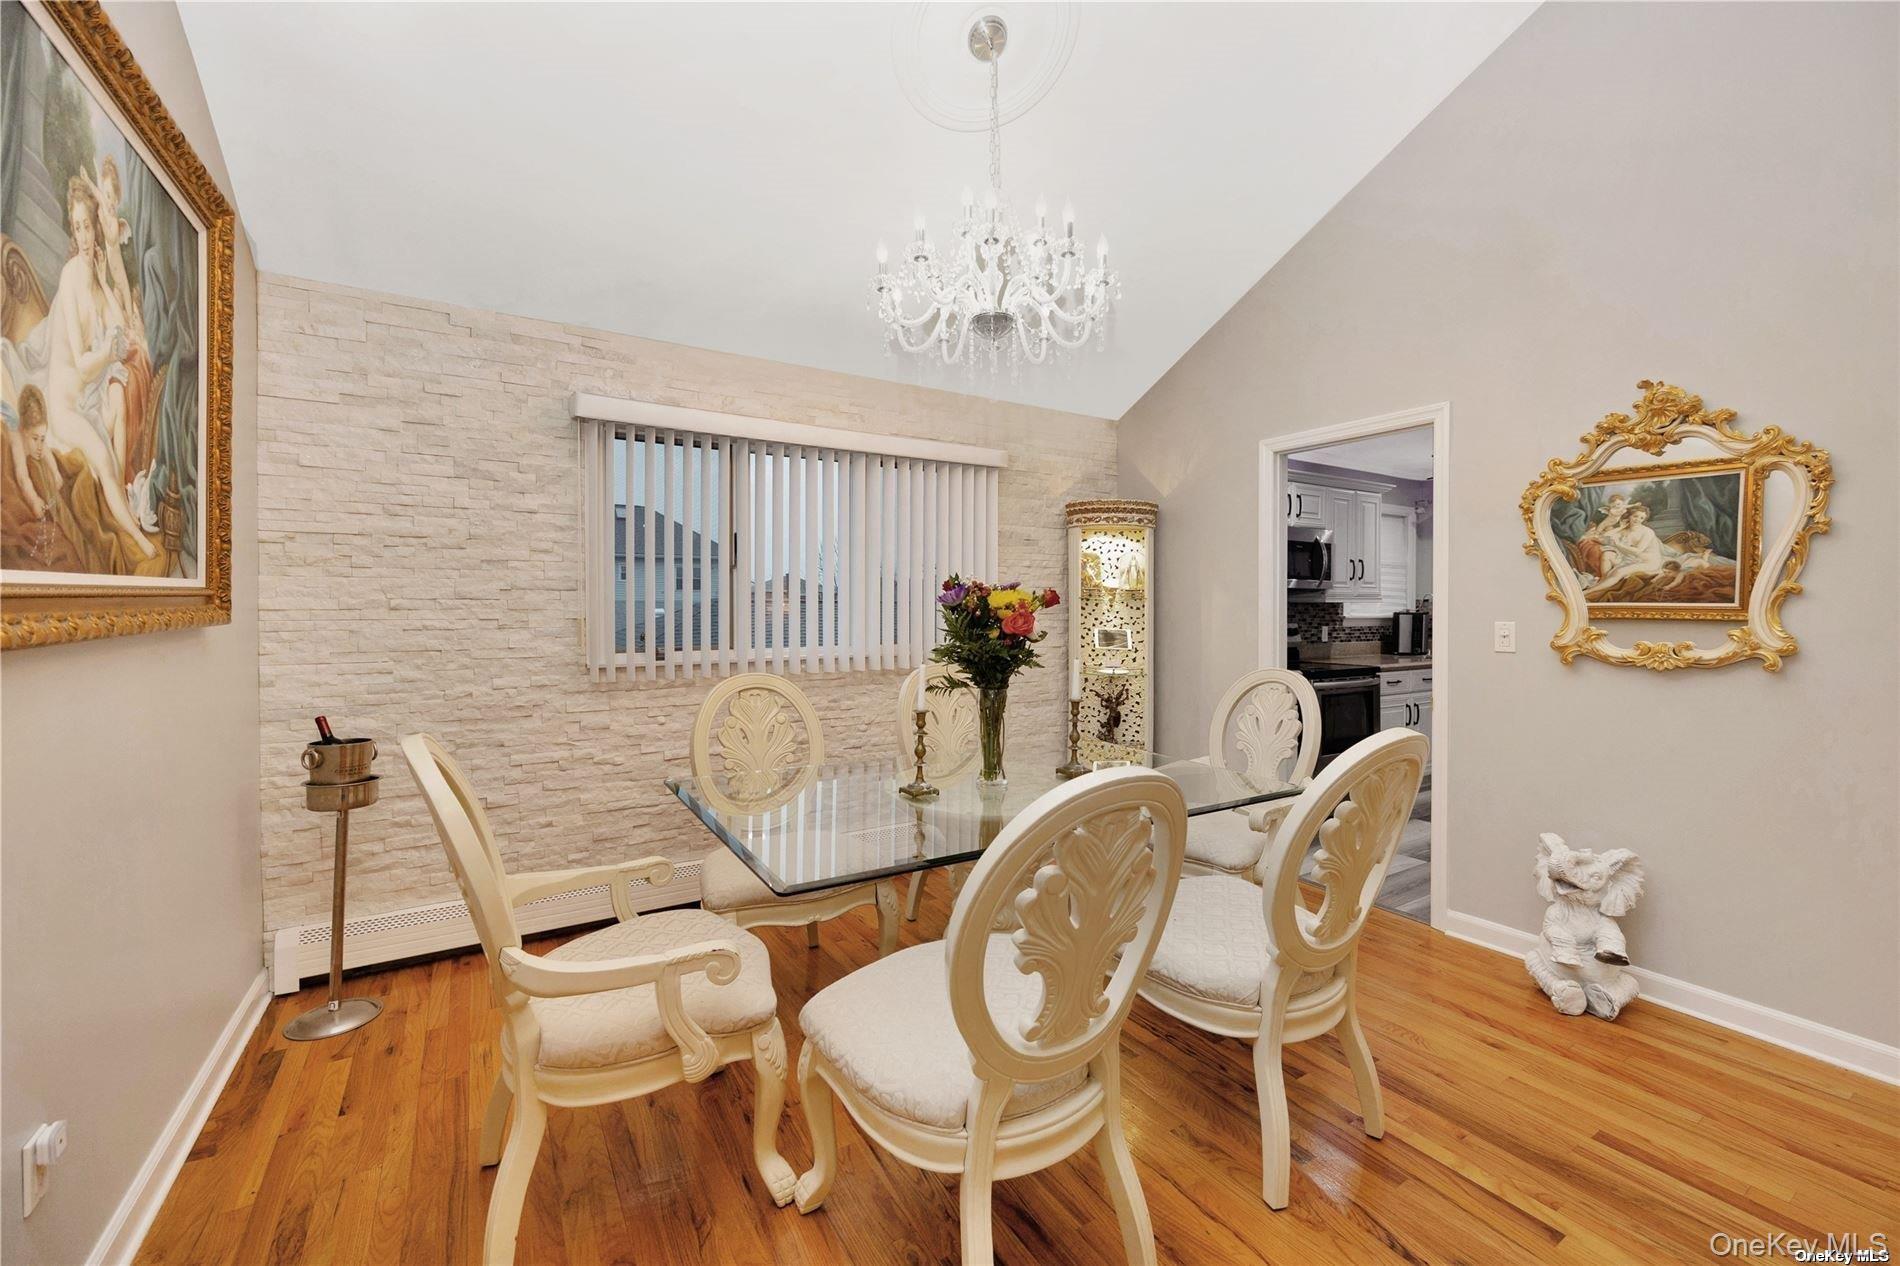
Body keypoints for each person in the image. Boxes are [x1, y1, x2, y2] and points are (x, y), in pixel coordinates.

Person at [43, 176, 155, 560]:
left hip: (87, 398)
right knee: (104, 460)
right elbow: (84, 364)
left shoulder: (92, 277)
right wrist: (108, 353)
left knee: (120, 403)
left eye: (88, 225)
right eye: (77, 228)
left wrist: (107, 281)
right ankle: (138, 542)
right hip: (67, 406)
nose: (85, 235)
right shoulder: (72, 274)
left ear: (95, 223)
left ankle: (119, 501)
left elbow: (121, 327)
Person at [1, 387, 83, 572]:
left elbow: (45, 451)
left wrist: (55, 472)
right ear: (23, 431)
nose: (39, 446)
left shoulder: (36, 439)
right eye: (35, 439)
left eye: (42, 439)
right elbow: (23, 479)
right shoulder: (17, 440)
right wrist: (34, 500)